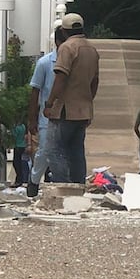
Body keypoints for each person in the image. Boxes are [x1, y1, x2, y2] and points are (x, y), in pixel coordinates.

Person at [43, 13, 100, 184]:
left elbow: (60, 78)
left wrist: (49, 103)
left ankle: (63, 186)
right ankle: (78, 186)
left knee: (54, 150)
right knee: (76, 151)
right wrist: (87, 102)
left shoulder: (67, 48)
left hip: (64, 111)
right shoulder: (92, 49)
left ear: (65, 30)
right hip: (83, 111)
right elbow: (95, 82)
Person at [26, 26, 68, 198]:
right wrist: (32, 119)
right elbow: (35, 90)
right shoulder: (44, 63)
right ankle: (34, 181)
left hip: (67, 115)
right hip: (47, 118)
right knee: (44, 151)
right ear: (58, 43)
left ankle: (62, 184)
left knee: (64, 153)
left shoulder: (74, 62)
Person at [11, 120, 28, 186]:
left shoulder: (16, 128)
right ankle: (20, 179)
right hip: (22, 145)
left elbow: (13, 137)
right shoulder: (23, 126)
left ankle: (19, 180)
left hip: (17, 146)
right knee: (20, 163)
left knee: (16, 163)